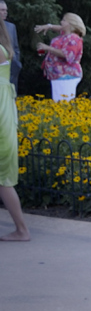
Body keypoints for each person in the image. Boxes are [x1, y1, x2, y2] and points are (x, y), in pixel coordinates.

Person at [0, 19, 30, 241]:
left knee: (3, 182)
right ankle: (21, 230)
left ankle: (22, 230)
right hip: (5, 121)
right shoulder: (3, 50)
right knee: (3, 182)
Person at [34, 13, 86, 102]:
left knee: (63, 103)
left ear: (70, 24)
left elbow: (67, 55)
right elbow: (60, 28)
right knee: (58, 102)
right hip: (58, 75)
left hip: (67, 75)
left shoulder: (73, 38)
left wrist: (48, 48)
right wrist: (49, 26)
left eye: (64, 20)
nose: (61, 22)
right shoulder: (65, 35)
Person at [0, 0, 20, 93]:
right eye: (2, 10)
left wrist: (16, 63)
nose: (5, 12)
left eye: (6, 10)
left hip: (10, 69)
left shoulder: (11, 27)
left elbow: (15, 48)